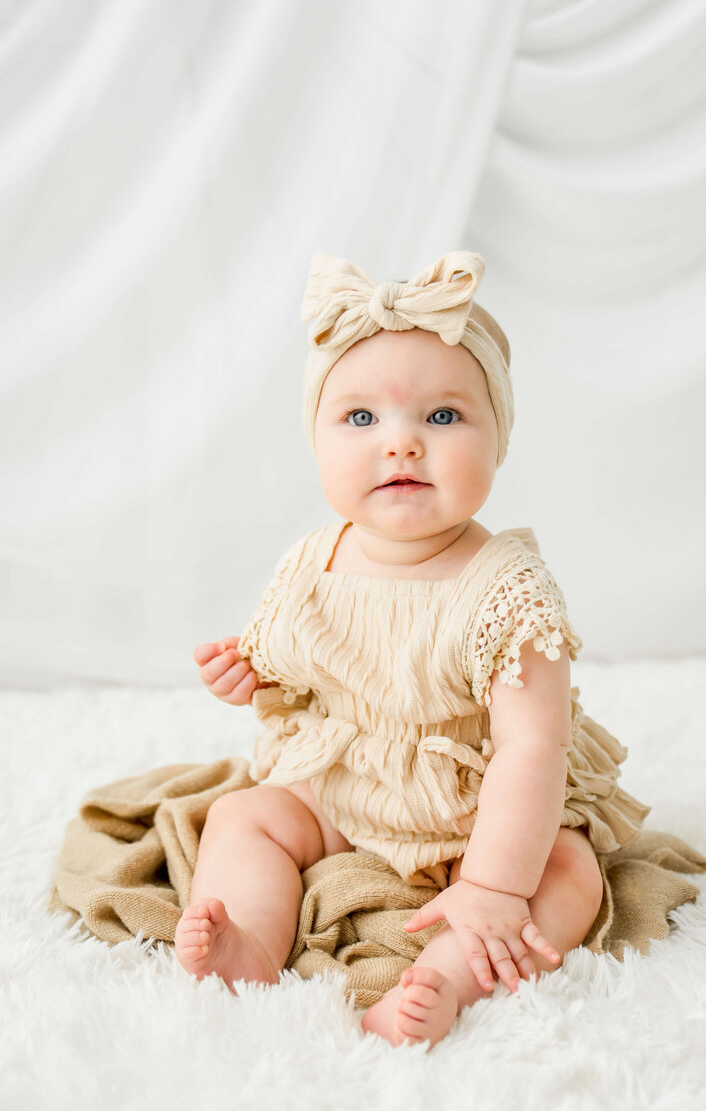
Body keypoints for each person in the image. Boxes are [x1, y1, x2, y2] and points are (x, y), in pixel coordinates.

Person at [174, 250, 652, 1048]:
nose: (400, 445)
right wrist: (249, 674)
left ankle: (448, 976)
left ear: (498, 437)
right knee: (243, 815)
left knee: (569, 872)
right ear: (318, 440)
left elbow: (533, 746)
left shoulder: (509, 587)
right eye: (361, 419)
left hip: (481, 809)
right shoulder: (313, 561)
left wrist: (495, 883)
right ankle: (251, 941)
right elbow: (292, 670)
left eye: (442, 417)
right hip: (349, 784)